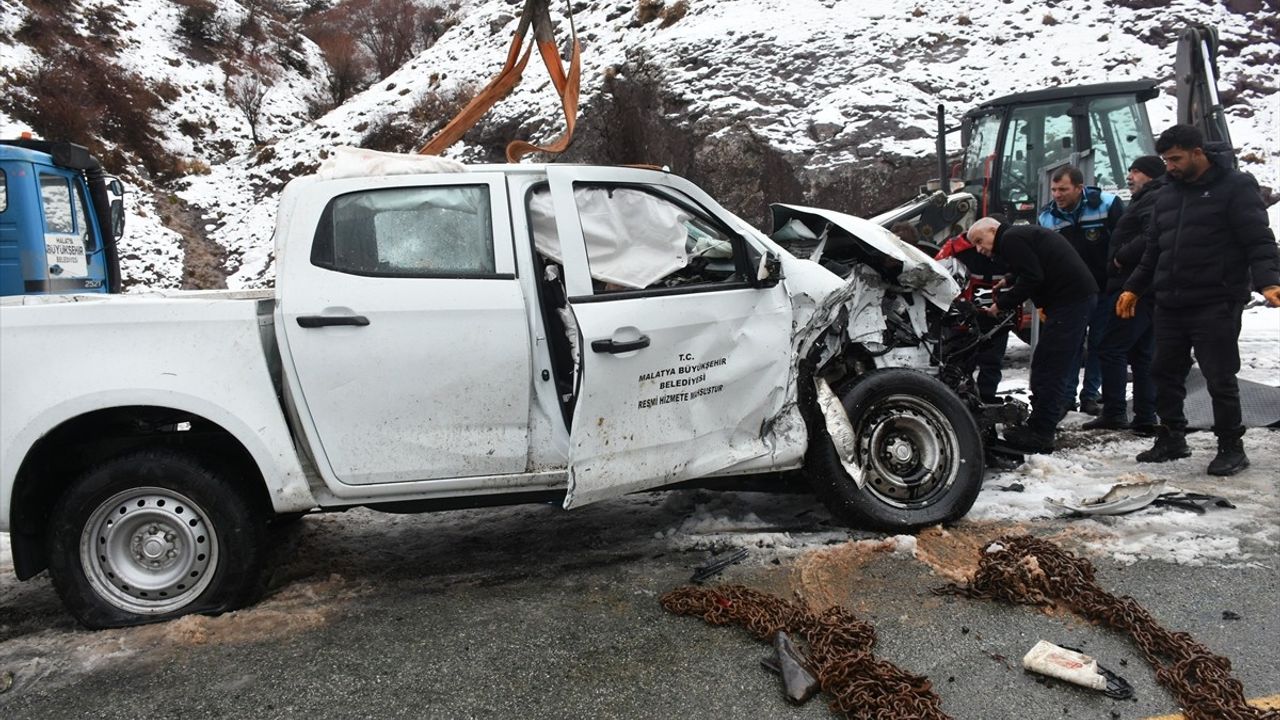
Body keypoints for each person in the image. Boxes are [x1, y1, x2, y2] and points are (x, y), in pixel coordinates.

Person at [1119, 125, 1280, 475]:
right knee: (1164, 371)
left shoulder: (1236, 187)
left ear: (1197, 152)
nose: (1170, 166)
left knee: (1219, 376)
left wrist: (1269, 281)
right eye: (1165, 160)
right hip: (1171, 301)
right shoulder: (1168, 194)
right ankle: (1172, 437)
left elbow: (1259, 239)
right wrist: (1134, 287)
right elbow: (1153, 250)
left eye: (1175, 159)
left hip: (1216, 300)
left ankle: (1231, 447)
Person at [968, 216, 1098, 453]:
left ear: (992, 229)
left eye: (980, 240)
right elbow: (1032, 266)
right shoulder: (1018, 236)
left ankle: (1042, 432)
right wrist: (1009, 279)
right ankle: (1039, 423)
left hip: (1071, 302)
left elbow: (1032, 277)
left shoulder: (1010, 239)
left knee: (1051, 367)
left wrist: (1001, 304)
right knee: (1043, 364)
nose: (979, 249)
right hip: (1072, 300)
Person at [1082, 156, 1167, 433]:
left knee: (1111, 348)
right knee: (1141, 354)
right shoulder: (1151, 198)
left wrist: (1121, 257)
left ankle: (1116, 412)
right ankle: (1144, 416)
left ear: (1152, 175)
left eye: (1137, 172)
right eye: (1129, 171)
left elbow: (1151, 235)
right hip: (1144, 285)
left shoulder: (1153, 199)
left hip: (1134, 286)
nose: (1130, 177)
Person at [1038, 166, 1124, 416]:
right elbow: (1045, 258)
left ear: (1079, 187)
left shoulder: (1107, 205)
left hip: (1105, 287)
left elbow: (1122, 241)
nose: (1057, 195)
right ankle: (1066, 397)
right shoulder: (1048, 216)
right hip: (1071, 293)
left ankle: (1090, 395)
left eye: (1063, 189)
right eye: (1054, 189)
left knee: (1099, 343)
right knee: (1071, 344)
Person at [935, 226, 1011, 403]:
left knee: (992, 361)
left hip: (997, 315)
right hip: (963, 316)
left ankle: (986, 400)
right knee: (959, 361)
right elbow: (936, 275)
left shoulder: (1011, 250)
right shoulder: (956, 249)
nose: (981, 249)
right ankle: (957, 400)